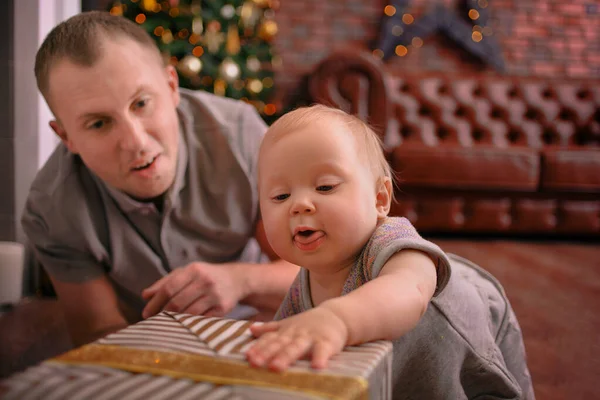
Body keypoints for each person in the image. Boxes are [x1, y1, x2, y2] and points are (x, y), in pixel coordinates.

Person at [21, 11, 298, 347]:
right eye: (99, 124)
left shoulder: (241, 136)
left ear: (171, 87)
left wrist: (241, 280)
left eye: (141, 103)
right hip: (143, 343)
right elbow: (98, 334)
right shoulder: (50, 209)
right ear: (67, 138)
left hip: (261, 325)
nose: (135, 142)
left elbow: (319, 275)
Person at [245, 105, 535, 399]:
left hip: (473, 343)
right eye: (281, 196)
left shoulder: (392, 242)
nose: (300, 204)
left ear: (380, 199)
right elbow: (292, 343)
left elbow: (408, 290)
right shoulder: (303, 286)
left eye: (325, 187)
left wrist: (338, 320)